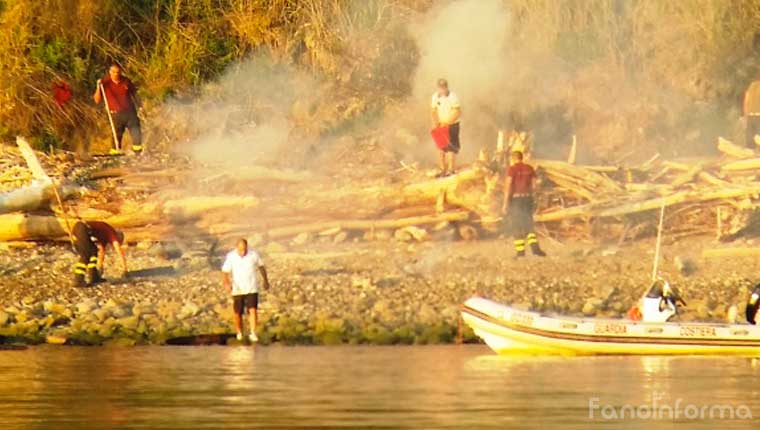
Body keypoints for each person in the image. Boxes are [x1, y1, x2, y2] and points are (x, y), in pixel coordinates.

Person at [221, 238, 271, 342]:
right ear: (237, 248)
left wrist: (265, 280)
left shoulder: (253, 255)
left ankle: (253, 333)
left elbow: (261, 267)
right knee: (237, 312)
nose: (242, 252)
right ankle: (239, 332)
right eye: (240, 250)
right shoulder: (231, 256)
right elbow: (225, 271)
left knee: (253, 309)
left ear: (247, 247)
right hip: (238, 289)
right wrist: (226, 283)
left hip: (251, 287)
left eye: (244, 249)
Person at [501, 150, 546, 258]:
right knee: (529, 224)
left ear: (513, 159)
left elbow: (508, 186)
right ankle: (536, 250)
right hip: (527, 199)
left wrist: (505, 203)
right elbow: (535, 186)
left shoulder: (512, 169)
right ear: (522, 158)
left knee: (517, 226)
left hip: (516, 200)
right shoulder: (529, 168)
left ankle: (520, 252)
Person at [93, 62, 143, 155]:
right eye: (114, 72)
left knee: (136, 131)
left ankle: (138, 153)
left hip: (130, 112)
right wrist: (98, 87)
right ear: (110, 72)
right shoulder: (105, 83)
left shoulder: (126, 81)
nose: (116, 74)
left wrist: (140, 106)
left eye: (118, 72)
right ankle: (115, 154)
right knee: (116, 135)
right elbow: (97, 100)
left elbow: (135, 94)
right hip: (116, 114)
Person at [71, 220, 128, 287]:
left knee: (93, 251)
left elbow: (101, 252)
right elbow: (119, 251)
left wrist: (100, 267)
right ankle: (78, 280)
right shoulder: (111, 233)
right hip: (81, 228)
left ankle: (94, 276)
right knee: (86, 254)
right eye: (118, 242)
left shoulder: (104, 236)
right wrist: (125, 269)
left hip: (81, 229)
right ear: (118, 237)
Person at [430, 78, 461, 177]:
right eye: (440, 87)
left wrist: (448, 122)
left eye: (444, 87)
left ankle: (451, 170)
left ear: (446, 87)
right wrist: (436, 122)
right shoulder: (435, 97)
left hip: (452, 125)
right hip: (441, 125)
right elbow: (433, 110)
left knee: (451, 148)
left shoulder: (453, 96)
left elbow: (457, 111)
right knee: (441, 148)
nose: (442, 89)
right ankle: (443, 169)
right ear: (438, 88)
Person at [743, 75, 760, 148]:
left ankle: (750, 152)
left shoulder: (751, 86)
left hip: (750, 114)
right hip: (759, 115)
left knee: (750, 138)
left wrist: (745, 114)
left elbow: (746, 100)